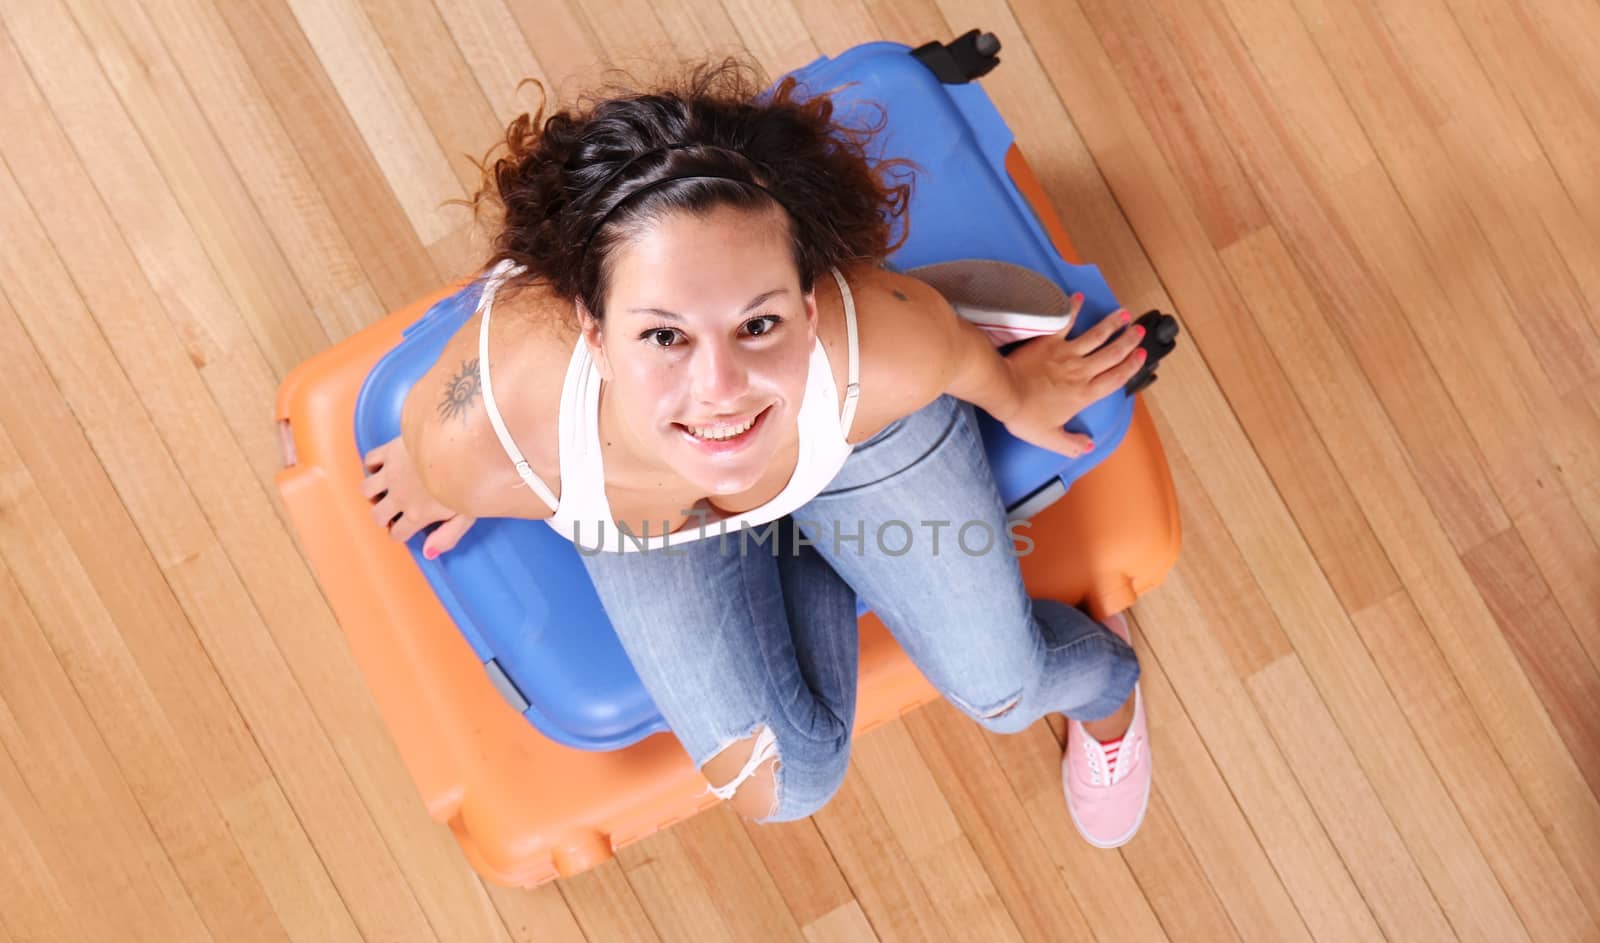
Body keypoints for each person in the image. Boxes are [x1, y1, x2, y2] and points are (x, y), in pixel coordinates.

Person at [360, 61, 1152, 848]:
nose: (721, 390)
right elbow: (458, 437)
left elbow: (949, 353)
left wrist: (1015, 397)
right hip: (660, 508)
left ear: (807, 308)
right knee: (783, 785)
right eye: (665, 335)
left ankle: (1110, 687)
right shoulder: (486, 439)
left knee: (1006, 695)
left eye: (759, 323)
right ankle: (808, 531)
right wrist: (453, 472)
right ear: (596, 333)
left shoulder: (878, 345)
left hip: (851, 431)